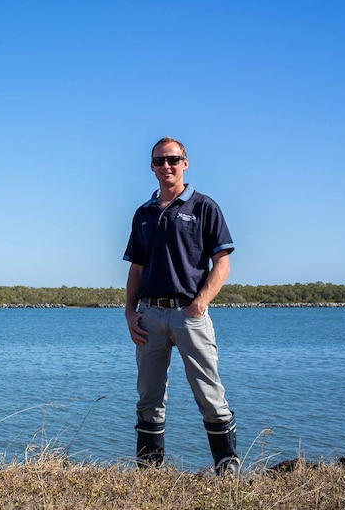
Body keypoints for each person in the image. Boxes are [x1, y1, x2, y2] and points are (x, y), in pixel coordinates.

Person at [122, 136, 239, 475]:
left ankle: (227, 468)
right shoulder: (143, 213)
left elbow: (222, 263)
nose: (166, 166)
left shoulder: (204, 207)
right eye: (159, 161)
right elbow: (136, 268)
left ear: (185, 163)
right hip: (150, 316)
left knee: (209, 394)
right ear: (152, 167)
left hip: (190, 314)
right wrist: (130, 313)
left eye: (173, 159)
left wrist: (200, 303)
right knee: (148, 398)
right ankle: (150, 472)